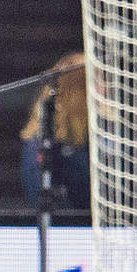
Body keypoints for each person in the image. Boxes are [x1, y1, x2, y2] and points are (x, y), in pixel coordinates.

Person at [19, 52, 91, 215]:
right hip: (67, 230)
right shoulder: (40, 145)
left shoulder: (99, 139)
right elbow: (38, 196)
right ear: (78, 90)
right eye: (99, 79)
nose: (106, 87)